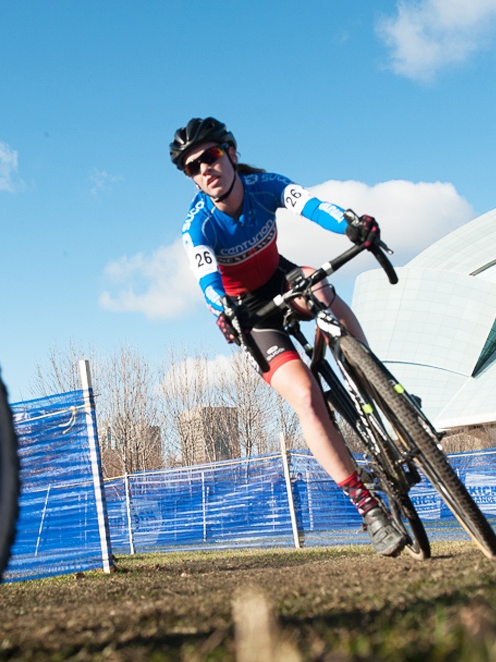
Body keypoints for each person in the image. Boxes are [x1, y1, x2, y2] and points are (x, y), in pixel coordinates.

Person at [170, 117, 406, 556]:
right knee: (306, 397)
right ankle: (368, 508)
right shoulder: (197, 225)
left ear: (231, 153)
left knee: (317, 279)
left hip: (282, 281)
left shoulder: (265, 185)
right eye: (193, 167)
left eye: (211, 156)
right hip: (251, 314)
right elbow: (205, 276)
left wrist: (351, 226)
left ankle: (379, 380)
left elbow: (313, 205)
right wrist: (223, 309)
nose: (205, 169)